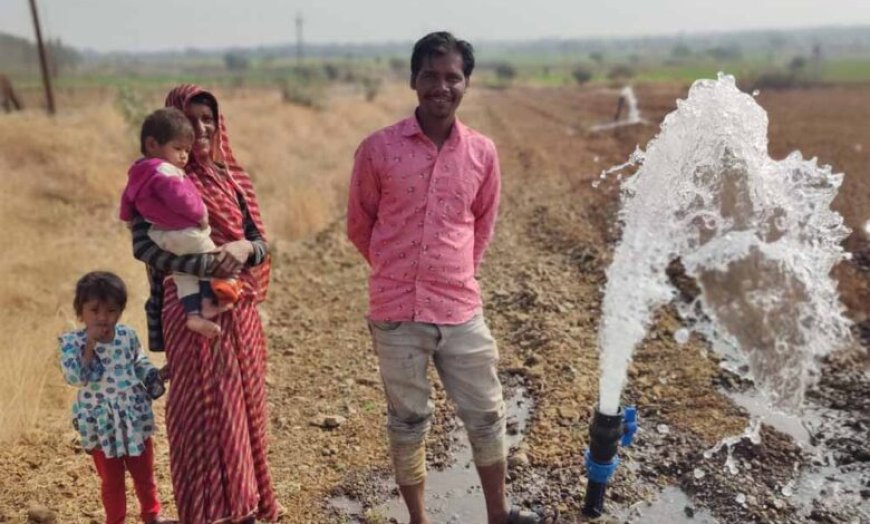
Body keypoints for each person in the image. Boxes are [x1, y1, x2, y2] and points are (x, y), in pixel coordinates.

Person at [346, 32, 539, 524]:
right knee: (408, 421)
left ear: (466, 84)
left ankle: (498, 515)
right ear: (414, 80)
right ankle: (418, 519)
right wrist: (396, 269)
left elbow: (483, 222)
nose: (441, 86)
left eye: (452, 77)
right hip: (395, 312)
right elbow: (359, 224)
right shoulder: (377, 149)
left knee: (488, 413)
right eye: (430, 75)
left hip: (459, 307)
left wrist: (452, 272)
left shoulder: (482, 152)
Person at [129, 84, 279, 524]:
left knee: (244, 410)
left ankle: (247, 506)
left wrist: (243, 252)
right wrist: (208, 262)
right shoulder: (158, 180)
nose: (201, 128)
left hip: (239, 311)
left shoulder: (232, 178)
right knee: (200, 416)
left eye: (208, 118)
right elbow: (144, 247)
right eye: (190, 121)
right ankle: (207, 512)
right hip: (187, 309)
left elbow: (260, 243)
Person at [58, 271, 174, 524]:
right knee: (111, 481)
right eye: (94, 310)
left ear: (120, 311)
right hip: (102, 426)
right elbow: (76, 378)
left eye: (111, 310)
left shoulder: (126, 336)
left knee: (144, 473)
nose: (102, 318)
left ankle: (152, 514)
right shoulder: (72, 343)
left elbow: (139, 363)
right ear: (81, 312)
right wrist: (89, 347)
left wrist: (156, 374)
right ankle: (115, 520)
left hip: (133, 420)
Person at [120, 107, 241, 339]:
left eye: (207, 119)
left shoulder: (139, 172)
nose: (184, 156)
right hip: (182, 245)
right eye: (178, 149)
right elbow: (143, 247)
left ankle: (194, 314)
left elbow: (127, 200)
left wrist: (127, 218)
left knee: (184, 277)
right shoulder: (166, 172)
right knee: (214, 257)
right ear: (153, 144)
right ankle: (211, 298)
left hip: (165, 238)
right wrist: (200, 214)